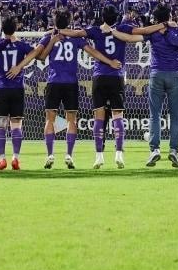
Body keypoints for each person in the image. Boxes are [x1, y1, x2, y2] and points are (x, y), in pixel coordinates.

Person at [63, 5, 145, 169]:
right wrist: (118, 34)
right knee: (118, 116)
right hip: (116, 76)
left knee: (99, 118)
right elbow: (140, 37)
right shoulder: (123, 28)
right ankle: (119, 154)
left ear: (102, 16)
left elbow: (76, 33)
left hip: (99, 77)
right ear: (117, 17)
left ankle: (99, 157)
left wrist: (60, 30)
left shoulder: (95, 30)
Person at [37, 9, 121, 169]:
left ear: (55, 22)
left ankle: (50, 155)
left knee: (50, 120)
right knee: (72, 120)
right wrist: (109, 62)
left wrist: (52, 41)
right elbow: (93, 52)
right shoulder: (76, 38)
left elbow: (40, 57)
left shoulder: (48, 37)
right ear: (68, 22)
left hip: (53, 82)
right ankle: (69, 154)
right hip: (71, 83)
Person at [128, 5, 178, 167]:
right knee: (176, 116)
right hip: (175, 73)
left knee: (155, 114)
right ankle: (174, 150)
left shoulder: (152, 32)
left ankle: (154, 150)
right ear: (169, 16)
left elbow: (136, 35)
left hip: (157, 74)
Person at [0, 17, 45, 170]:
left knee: (0, 127)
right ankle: (16, 158)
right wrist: (19, 66)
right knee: (16, 125)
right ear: (16, 28)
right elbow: (37, 54)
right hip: (17, 89)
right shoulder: (21, 45)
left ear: (2, 29)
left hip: (1, 89)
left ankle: (1, 159)